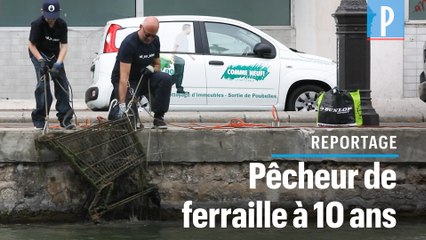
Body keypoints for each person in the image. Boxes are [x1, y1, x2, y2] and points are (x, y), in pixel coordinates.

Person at [110, 16, 172, 129]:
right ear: (141, 27)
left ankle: (159, 117)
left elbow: (157, 65)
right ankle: (116, 107)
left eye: (153, 36)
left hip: (144, 77)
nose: (150, 39)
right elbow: (123, 78)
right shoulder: (129, 43)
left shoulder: (155, 41)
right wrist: (123, 105)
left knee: (165, 79)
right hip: (127, 81)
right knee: (130, 122)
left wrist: (151, 69)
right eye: (147, 35)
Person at [28, 0, 75, 129]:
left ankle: (65, 118)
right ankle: (40, 119)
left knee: (62, 84)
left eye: (53, 17)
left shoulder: (62, 25)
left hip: (55, 56)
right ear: (42, 12)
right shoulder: (37, 24)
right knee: (43, 86)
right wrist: (41, 60)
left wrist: (58, 64)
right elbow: (31, 45)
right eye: (48, 16)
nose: (51, 20)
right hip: (39, 54)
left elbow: (64, 46)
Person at [172, 24, 193, 94]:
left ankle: (179, 89)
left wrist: (191, 56)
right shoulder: (180, 36)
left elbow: (185, 49)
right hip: (178, 57)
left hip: (181, 58)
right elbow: (175, 46)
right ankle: (166, 84)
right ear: (186, 29)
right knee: (178, 74)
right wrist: (172, 56)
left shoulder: (184, 37)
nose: (190, 31)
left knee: (179, 74)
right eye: (190, 29)